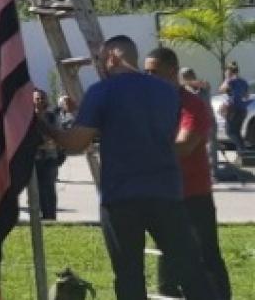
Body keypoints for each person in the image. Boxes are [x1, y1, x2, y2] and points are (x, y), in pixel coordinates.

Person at [42, 35, 215, 300]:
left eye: (101, 59)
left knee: (129, 275)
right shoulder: (167, 92)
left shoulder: (102, 91)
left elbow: (76, 142)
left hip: (122, 196)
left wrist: (42, 126)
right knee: (191, 271)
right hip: (167, 193)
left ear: (112, 57)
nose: (100, 65)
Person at [147, 48, 232, 299]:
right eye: (146, 71)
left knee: (206, 255)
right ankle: (168, 294)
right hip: (162, 195)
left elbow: (183, 147)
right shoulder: (150, 104)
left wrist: (141, 147)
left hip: (193, 195)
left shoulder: (192, 105)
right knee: (165, 253)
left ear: (172, 73)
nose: (148, 77)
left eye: (154, 72)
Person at [32, 90, 62, 220]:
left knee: (49, 189)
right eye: (37, 98)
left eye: (42, 98)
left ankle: (50, 218)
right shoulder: (28, 117)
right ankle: (37, 217)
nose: (40, 101)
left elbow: (57, 135)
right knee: (35, 190)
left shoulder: (52, 116)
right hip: (33, 160)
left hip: (50, 159)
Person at [219, 63, 249, 153]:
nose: (225, 72)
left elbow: (221, 89)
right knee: (237, 132)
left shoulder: (230, 81)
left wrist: (227, 79)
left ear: (229, 72)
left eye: (226, 71)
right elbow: (246, 96)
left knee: (230, 132)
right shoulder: (244, 81)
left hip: (233, 109)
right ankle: (242, 152)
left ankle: (242, 150)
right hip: (243, 109)